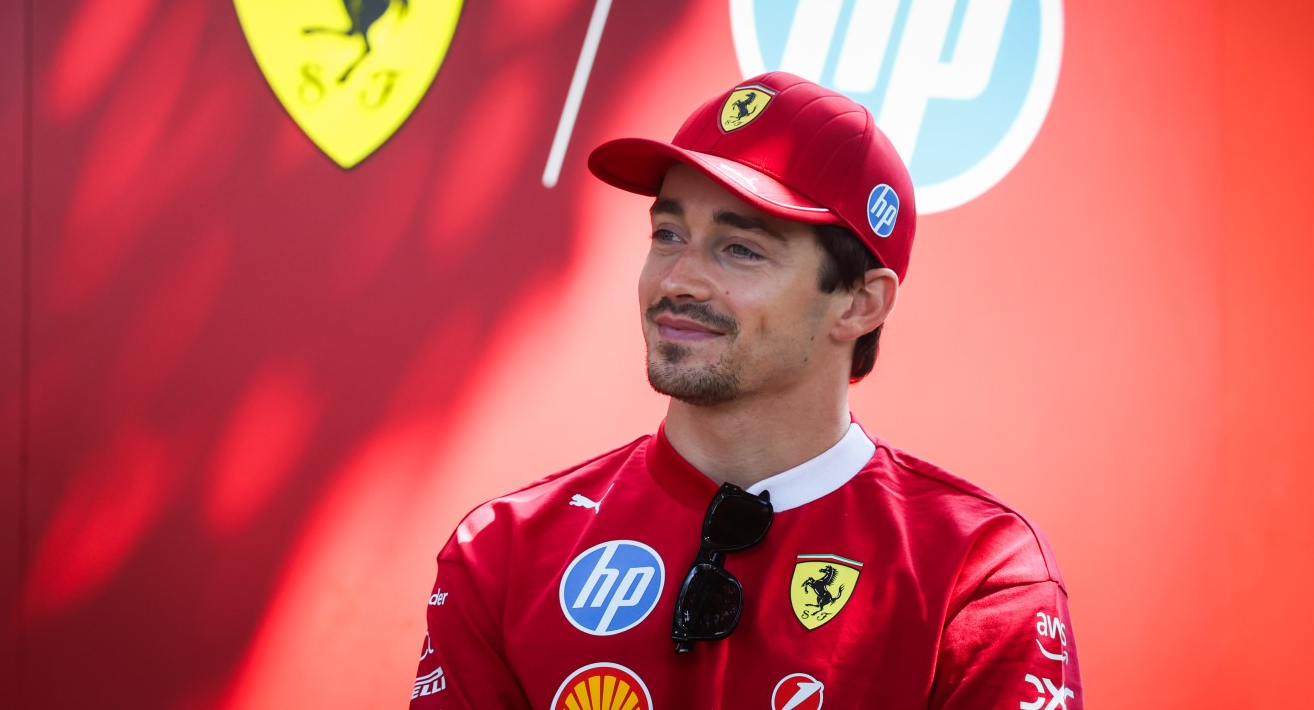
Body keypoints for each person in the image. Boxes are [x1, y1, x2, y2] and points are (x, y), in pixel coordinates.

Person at [409, 72, 1082, 710]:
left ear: (858, 303)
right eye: (668, 234)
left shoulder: (978, 573)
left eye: (740, 250)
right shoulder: (502, 553)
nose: (678, 279)